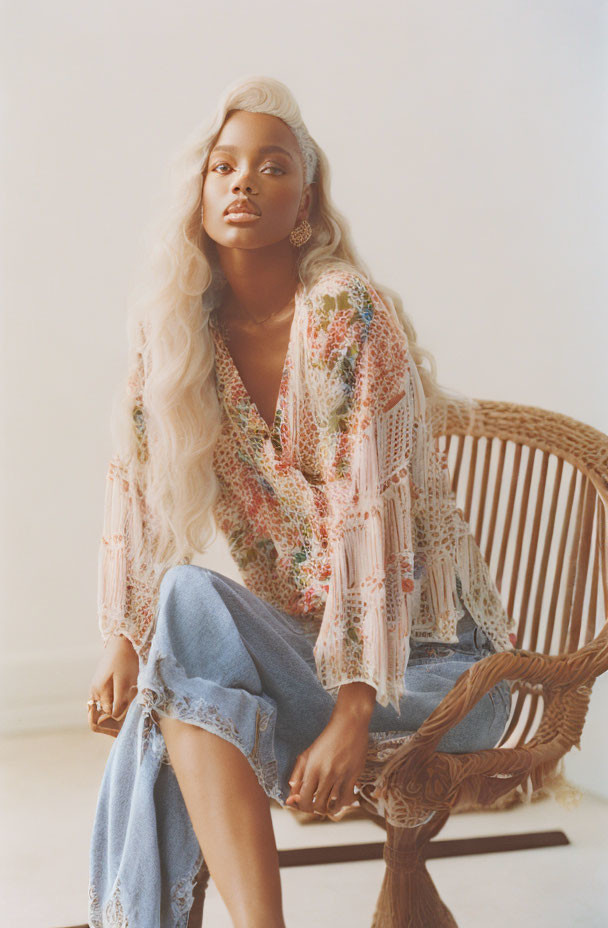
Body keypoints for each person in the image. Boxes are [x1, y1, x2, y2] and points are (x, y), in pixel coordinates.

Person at [87, 74, 516, 928]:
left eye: (272, 166)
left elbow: (376, 513)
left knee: (176, 689)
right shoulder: (176, 332)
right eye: (223, 166)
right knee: (177, 623)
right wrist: (121, 642)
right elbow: (133, 481)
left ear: (308, 205)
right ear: (199, 192)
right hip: (303, 661)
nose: (244, 181)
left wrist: (357, 704)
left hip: (439, 676)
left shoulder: (346, 313)